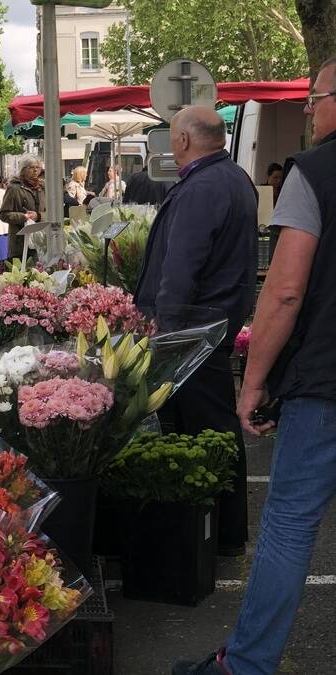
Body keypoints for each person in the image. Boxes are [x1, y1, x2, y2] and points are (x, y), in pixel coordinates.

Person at [172, 57, 336, 675]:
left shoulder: (314, 172)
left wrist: (255, 380)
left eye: (316, 97)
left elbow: (285, 291)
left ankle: (245, 666)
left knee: (290, 526)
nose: (310, 108)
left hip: (324, 381)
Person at [134, 106, 258, 557]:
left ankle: (220, 533)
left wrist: (164, 330)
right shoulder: (233, 178)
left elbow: (180, 265)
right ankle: (222, 531)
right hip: (212, 323)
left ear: (183, 139)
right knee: (212, 426)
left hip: (192, 331)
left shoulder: (202, 187)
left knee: (205, 427)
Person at [0, 155, 45, 259]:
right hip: (20, 243)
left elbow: (49, 212)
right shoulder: (14, 188)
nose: (35, 170)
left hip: (41, 241)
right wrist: (23, 217)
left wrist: (38, 215)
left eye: (37, 167)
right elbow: (4, 214)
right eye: (31, 167)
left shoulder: (43, 188)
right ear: (23, 170)